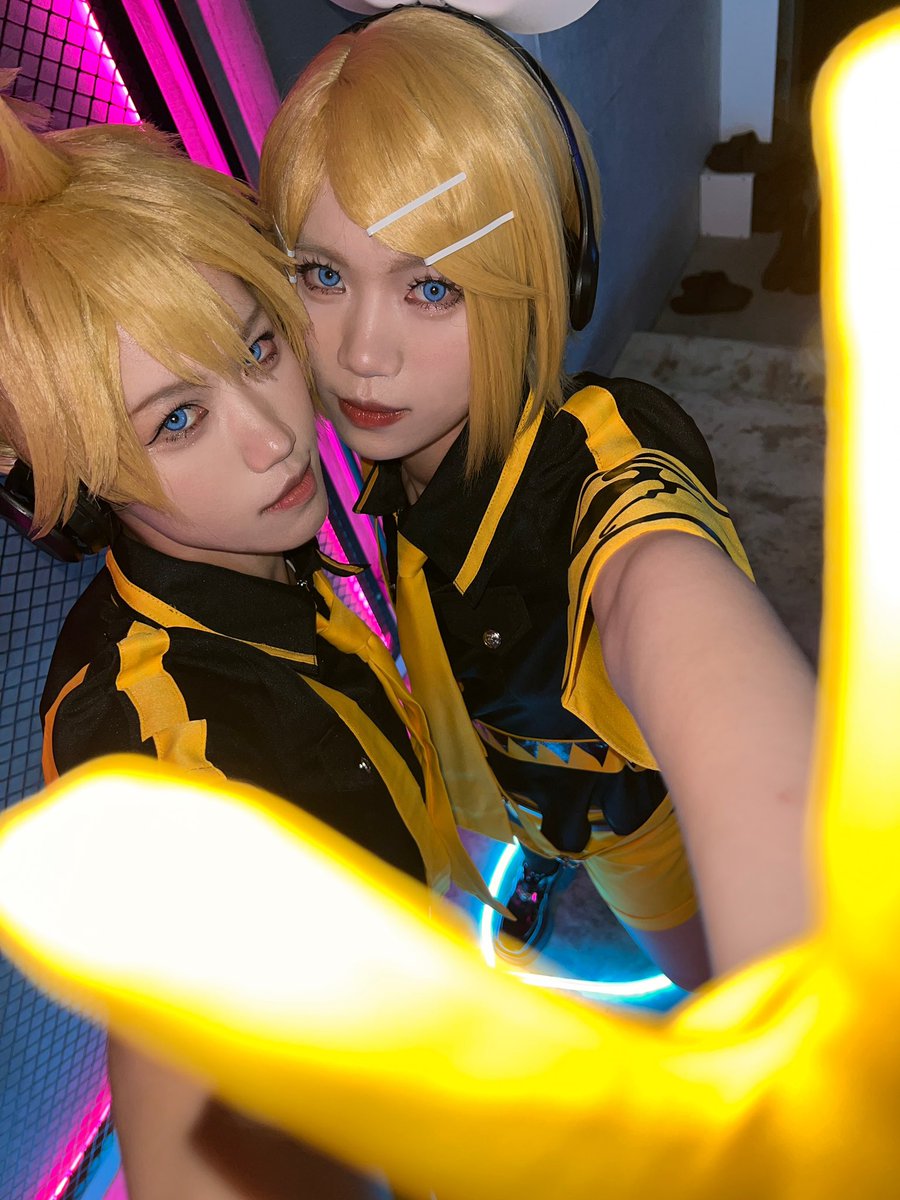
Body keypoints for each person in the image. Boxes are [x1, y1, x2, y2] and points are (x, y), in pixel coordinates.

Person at [0, 74, 488, 1199]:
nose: (274, 438)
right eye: (178, 419)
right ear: (72, 480)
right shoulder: (159, 741)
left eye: (261, 349)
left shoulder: (255, 551)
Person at [259, 4, 817, 987]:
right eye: (322, 274)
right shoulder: (401, 447)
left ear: (554, 277)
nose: (362, 353)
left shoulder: (595, 478)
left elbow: (667, 594)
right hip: (494, 774)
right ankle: (534, 855)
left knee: (713, 990)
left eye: (433, 287)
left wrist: (806, 931)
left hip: (620, 823)